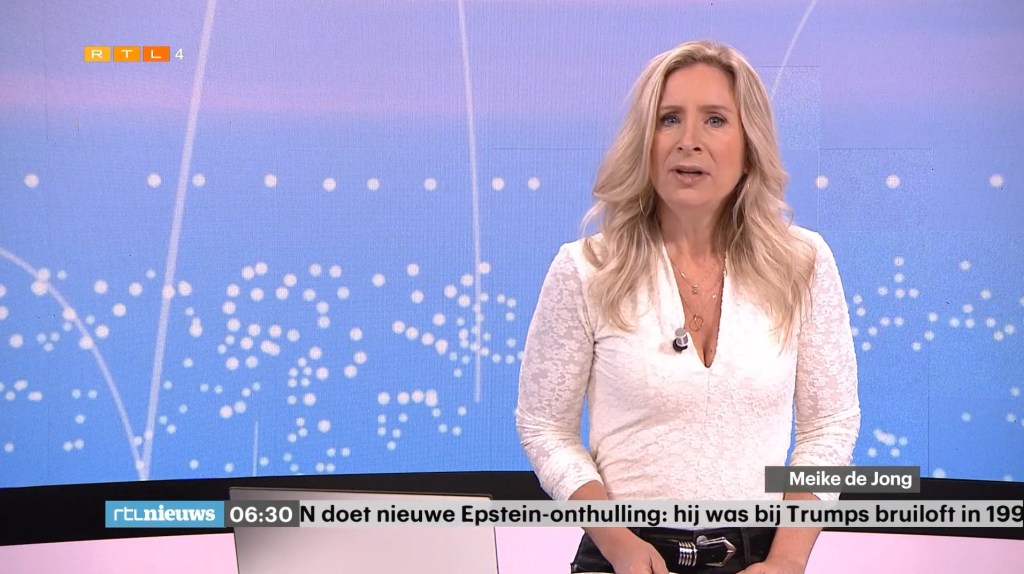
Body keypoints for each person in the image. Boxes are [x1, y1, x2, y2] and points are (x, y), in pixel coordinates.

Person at [515, 40, 860, 574]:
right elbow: (544, 427)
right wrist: (619, 544)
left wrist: (788, 559)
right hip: (624, 557)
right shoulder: (586, 269)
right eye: (669, 119)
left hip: (759, 558)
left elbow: (829, 427)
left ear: (749, 143)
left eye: (715, 120)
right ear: (644, 141)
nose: (689, 141)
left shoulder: (803, 263)